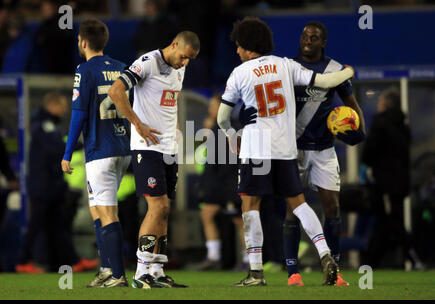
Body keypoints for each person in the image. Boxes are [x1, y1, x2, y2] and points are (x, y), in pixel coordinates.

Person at [217, 17, 355, 286]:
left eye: (238, 46)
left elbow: (223, 117)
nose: (236, 51)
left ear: (246, 46)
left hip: (256, 145)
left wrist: (232, 137)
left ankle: (256, 272)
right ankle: (326, 256)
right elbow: (326, 82)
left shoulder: (240, 73)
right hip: (285, 147)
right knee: (299, 203)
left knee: (250, 205)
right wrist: (348, 72)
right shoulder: (286, 65)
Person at [108, 30, 200, 289]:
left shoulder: (180, 68)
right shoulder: (147, 62)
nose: (185, 63)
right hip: (147, 147)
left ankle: (158, 271)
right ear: (174, 45)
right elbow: (116, 91)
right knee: (157, 206)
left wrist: (175, 129)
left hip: (169, 147)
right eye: (183, 57)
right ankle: (140, 271)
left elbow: (169, 102)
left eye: (189, 59)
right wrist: (137, 124)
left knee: (166, 208)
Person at [279, 21, 366, 287]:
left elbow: (352, 106)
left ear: (323, 42)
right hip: (293, 150)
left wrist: (359, 133)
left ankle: (334, 270)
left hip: (324, 149)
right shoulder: (288, 68)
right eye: (305, 35)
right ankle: (293, 272)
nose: (307, 40)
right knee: (292, 210)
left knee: (332, 208)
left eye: (314, 37)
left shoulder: (335, 70)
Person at [61, 19, 131, 287]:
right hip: (121, 147)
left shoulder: (83, 70)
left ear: (83, 42)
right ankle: (106, 268)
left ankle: (117, 274)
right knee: (97, 210)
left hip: (99, 149)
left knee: (108, 212)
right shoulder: (121, 68)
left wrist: (67, 153)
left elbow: (78, 113)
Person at [17, 92, 90, 273]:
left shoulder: (49, 126)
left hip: (53, 186)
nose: (65, 110)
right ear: (53, 106)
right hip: (43, 187)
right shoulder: (44, 126)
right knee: (37, 225)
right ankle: (23, 261)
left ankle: (72, 261)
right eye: (62, 106)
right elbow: (55, 149)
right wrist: (79, 144)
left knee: (58, 226)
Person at [362, 88, 424, 269]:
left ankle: (414, 257)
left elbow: (369, 152)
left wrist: (367, 164)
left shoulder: (380, 122)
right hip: (401, 181)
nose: (379, 104)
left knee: (391, 220)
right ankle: (371, 263)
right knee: (387, 220)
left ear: (386, 104)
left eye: (380, 101)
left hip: (385, 183)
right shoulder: (403, 125)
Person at [194, 94, 248, 271]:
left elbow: (233, 156)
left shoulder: (232, 126)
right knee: (207, 214)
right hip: (215, 182)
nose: (210, 109)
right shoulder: (214, 128)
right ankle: (213, 256)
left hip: (230, 180)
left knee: (239, 219)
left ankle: (248, 259)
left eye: (213, 106)